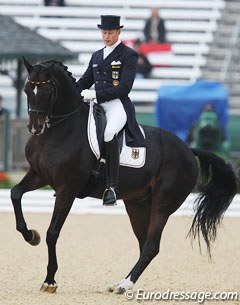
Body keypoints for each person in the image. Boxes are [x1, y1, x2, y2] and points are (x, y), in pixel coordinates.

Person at [77, 15, 145, 206]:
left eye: (110, 32)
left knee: (108, 134)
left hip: (117, 104)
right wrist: (71, 90)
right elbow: (84, 81)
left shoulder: (128, 55)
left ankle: (112, 187)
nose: (107, 36)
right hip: (96, 104)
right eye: (104, 32)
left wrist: (96, 95)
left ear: (118, 32)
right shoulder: (97, 56)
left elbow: (124, 88)